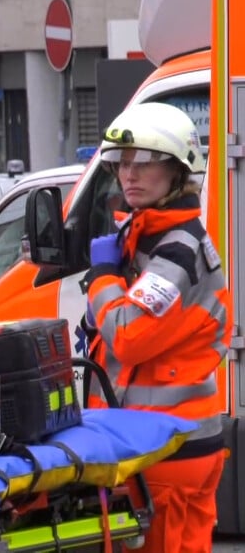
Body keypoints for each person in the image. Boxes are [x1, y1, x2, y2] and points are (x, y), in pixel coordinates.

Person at [83, 102, 230, 553]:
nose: (130, 174)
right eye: (124, 163)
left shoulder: (176, 251)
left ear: (176, 173)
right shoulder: (147, 234)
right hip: (174, 439)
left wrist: (102, 279)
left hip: (165, 445)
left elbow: (128, 337)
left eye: (144, 163)